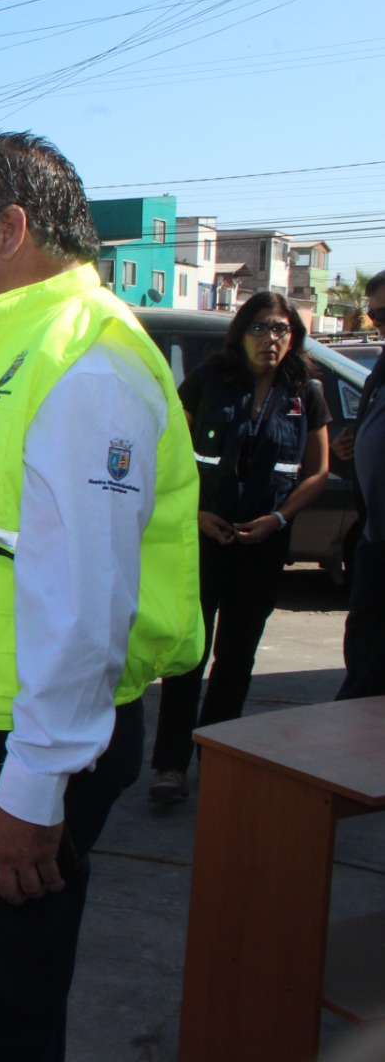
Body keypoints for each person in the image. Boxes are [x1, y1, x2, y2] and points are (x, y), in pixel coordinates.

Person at [0, 131, 203, 1061]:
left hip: (13, 748)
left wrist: (33, 787)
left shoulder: (85, 361)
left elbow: (89, 600)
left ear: (11, 229)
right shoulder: (2, 343)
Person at [149, 293, 330, 804]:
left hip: (263, 544)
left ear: (291, 336)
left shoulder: (305, 392)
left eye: (279, 330)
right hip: (204, 538)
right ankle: (169, 767)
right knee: (189, 655)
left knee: (236, 657)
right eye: (259, 328)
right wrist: (194, 512)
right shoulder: (208, 380)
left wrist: (278, 518)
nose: (269, 339)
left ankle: (219, 757)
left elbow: (318, 472)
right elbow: (168, 455)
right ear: (240, 332)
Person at [331, 269, 385, 700]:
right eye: (374, 315)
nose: (379, 323)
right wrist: (354, 444)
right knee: (363, 635)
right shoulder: (380, 369)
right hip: (373, 534)